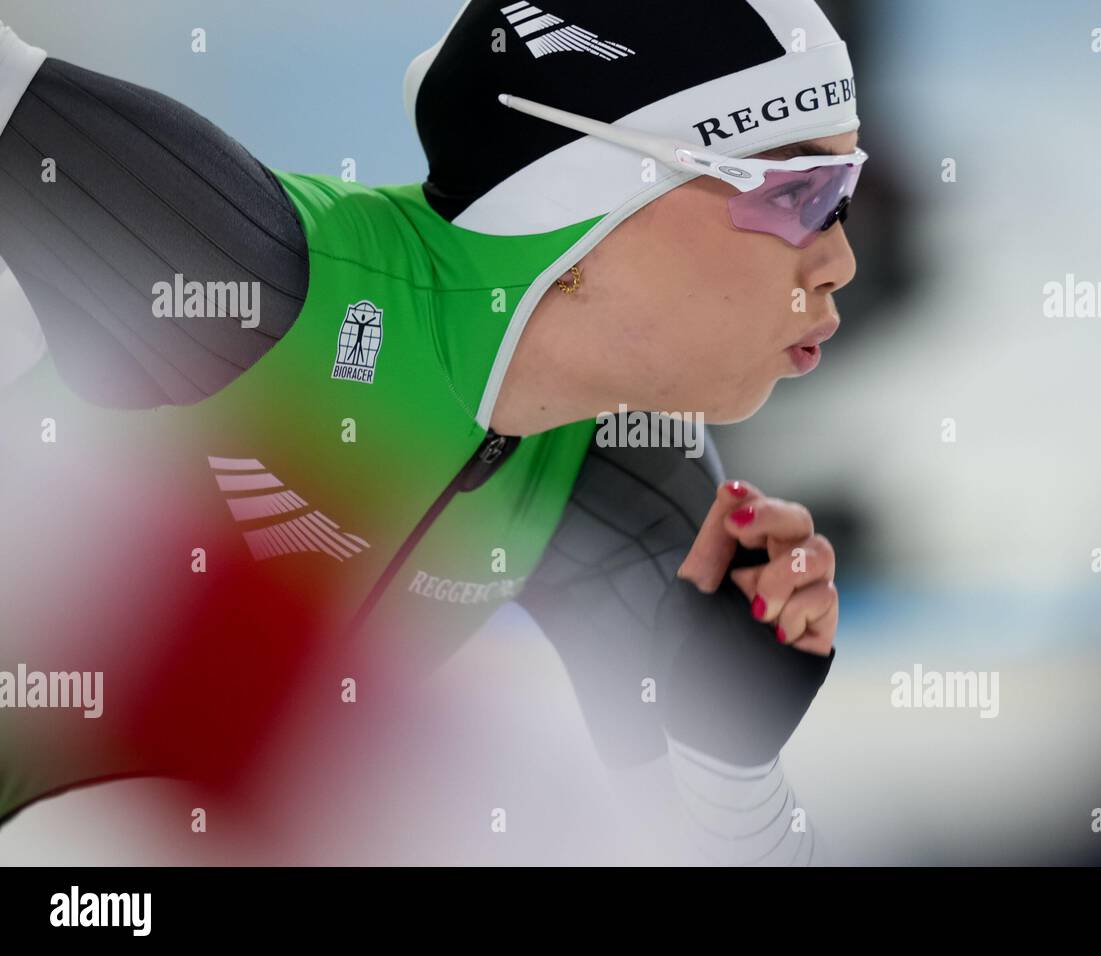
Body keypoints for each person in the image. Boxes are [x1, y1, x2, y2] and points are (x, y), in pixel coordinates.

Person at [0, 0, 861, 864]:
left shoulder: (624, 480)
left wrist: (731, 762)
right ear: (590, 187)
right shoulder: (244, 269)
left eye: (846, 192)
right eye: (798, 191)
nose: (841, 261)